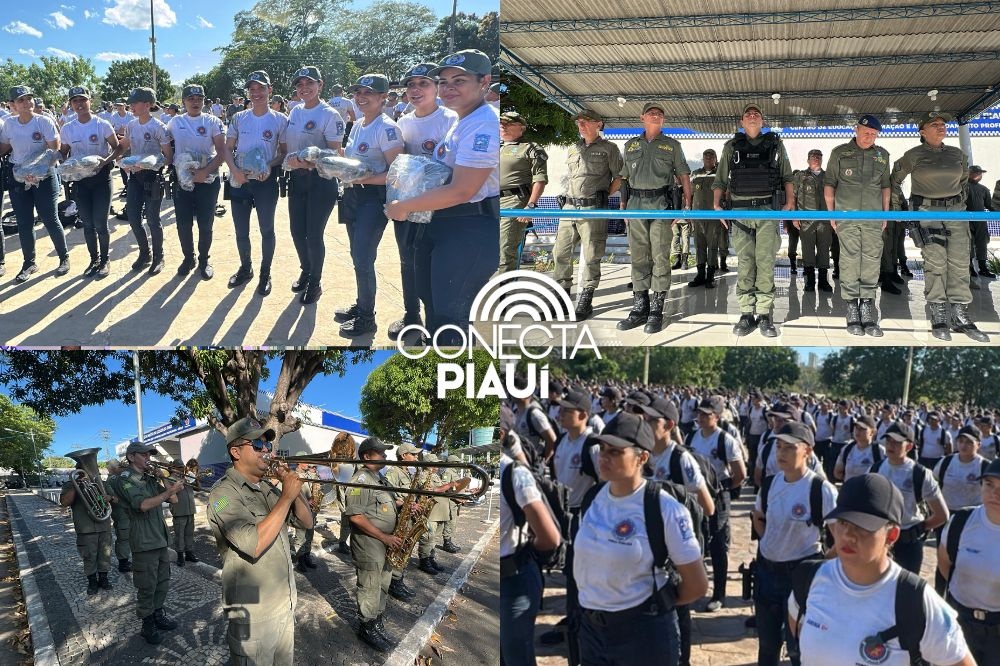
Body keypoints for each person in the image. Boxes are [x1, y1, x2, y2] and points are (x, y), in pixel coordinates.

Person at [790, 473, 974, 666]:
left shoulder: (915, 601)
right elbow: (797, 625)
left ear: (892, 535)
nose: (848, 535)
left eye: (862, 527)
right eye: (843, 522)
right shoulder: (811, 579)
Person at [385, 50, 500, 345]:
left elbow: (463, 189)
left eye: (458, 81)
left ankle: (451, 383)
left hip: (469, 228)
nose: (449, 88)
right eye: (444, 81)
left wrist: (404, 206)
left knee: (452, 319)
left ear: (484, 82)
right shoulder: (462, 121)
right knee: (435, 308)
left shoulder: (482, 124)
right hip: (444, 224)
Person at [574, 413, 708, 666]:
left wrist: (653, 605)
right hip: (593, 632)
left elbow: (697, 585)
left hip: (643, 635)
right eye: (602, 448)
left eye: (615, 452)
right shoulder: (593, 498)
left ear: (642, 458)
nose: (603, 457)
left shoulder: (663, 508)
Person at [207, 417, 312, 665]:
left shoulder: (268, 488)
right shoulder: (222, 494)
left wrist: (293, 492)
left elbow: (307, 523)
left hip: (283, 602)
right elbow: (253, 544)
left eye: (267, 445)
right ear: (235, 451)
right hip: (251, 612)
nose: (266, 450)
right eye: (257, 444)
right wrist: (286, 498)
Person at [891, 111, 987, 341]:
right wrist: (900, 210)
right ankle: (938, 314)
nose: (940, 127)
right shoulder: (913, 155)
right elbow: (894, 180)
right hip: (927, 212)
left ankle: (960, 314)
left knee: (960, 262)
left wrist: (960, 205)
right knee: (935, 261)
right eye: (934, 124)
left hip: (956, 213)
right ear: (923, 132)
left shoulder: (957, 154)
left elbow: (963, 182)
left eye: (943, 124)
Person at [751, 422, 838, 666]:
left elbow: (841, 539)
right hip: (767, 574)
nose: (781, 453)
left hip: (799, 577)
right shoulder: (770, 484)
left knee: (798, 648)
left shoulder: (821, 489)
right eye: (779, 446)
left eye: (790, 448)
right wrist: (769, 540)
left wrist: (817, 568)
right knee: (767, 646)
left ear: (808, 451)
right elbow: (759, 516)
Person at [713, 104, 795, 337]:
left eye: (757, 114)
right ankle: (746, 314)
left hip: (767, 212)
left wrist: (789, 202)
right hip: (740, 214)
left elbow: (787, 175)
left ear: (762, 122)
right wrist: (717, 204)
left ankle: (765, 315)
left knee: (765, 263)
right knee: (746, 263)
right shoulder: (731, 146)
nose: (752, 116)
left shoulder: (776, 145)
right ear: (741, 121)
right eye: (748, 114)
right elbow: (720, 180)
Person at [391, 63, 457, 340]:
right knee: (407, 261)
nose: (415, 90)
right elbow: (397, 165)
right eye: (411, 85)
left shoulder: (451, 119)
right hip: (408, 204)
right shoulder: (403, 122)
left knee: (434, 265)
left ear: (437, 87)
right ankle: (411, 315)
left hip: (442, 206)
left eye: (423, 84)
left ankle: (435, 323)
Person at [616, 101, 692, 334]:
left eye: (660, 114)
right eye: (651, 113)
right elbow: (624, 179)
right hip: (635, 206)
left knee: (660, 256)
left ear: (663, 120)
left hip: (661, 206)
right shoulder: (630, 146)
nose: (656, 116)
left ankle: (657, 310)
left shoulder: (672, 146)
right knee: (639, 256)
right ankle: (640, 308)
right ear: (642, 118)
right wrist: (622, 207)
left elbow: (683, 175)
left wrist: (686, 205)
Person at [336, 72, 400, 337]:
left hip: (372, 200)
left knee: (363, 258)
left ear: (383, 97)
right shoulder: (359, 124)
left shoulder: (387, 128)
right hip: (353, 196)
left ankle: (366, 318)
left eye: (368, 93)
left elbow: (397, 172)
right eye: (358, 93)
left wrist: (366, 177)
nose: (361, 97)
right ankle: (362, 304)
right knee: (356, 256)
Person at [500, 407, 561, 666]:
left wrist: (526, 554)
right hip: (503, 580)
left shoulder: (514, 473)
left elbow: (550, 537)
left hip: (516, 581)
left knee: (516, 658)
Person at [284, 66, 345, 307]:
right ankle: (306, 270)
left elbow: (335, 152)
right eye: (299, 84)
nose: (304, 88)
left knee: (313, 235)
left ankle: (315, 282)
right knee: (297, 232)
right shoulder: (295, 112)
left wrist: (310, 160)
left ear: (320, 84)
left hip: (321, 181)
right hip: (297, 179)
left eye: (309, 83)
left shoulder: (330, 115)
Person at [224, 71, 288, 297]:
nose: (256, 93)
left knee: (266, 229)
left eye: (261, 88)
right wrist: (235, 172)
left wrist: (270, 166)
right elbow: (227, 148)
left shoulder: (280, 120)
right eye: (252, 89)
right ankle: (245, 267)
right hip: (240, 181)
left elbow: (284, 153)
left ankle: (265, 273)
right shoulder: (239, 118)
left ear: (270, 90)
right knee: (241, 230)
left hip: (265, 182)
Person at [555, 109, 623, 320]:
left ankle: (586, 298)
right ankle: (561, 299)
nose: (581, 125)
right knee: (560, 253)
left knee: (592, 255)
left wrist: (605, 196)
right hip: (569, 208)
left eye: (586, 122)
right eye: (579, 122)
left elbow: (620, 176)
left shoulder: (609, 149)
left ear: (599, 124)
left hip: (593, 208)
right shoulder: (573, 149)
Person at [0, 85, 71, 283]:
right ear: (12, 105)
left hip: (43, 177)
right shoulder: (9, 125)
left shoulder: (44, 121)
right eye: (21, 100)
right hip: (18, 179)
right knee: (24, 222)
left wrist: (36, 172)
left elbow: (53, 151)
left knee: (50, 218)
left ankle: (64, 257)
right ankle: (29, 263)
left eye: (29, 98)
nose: (27, 102)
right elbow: (4, 148)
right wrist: (23, 173)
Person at [344, 437, 409, 652]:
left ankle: (376, 619)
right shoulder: (360, 479)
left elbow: (391, 501)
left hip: (385, 542)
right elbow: (355, 516)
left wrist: (408, 504)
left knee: (383, 583)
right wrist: (386, 537)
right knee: (370, 585)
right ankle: (366, 626)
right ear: (366, 456)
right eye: (381, 453)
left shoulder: (379, 479)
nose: (385, 456)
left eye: (385, 452)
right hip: (370, 543)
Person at [119, 441, 184, 644]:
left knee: (162, 581)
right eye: (144, 454)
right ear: (131, 457)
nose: (149, 458)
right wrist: (167, 492)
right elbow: (143, 505)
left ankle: (158, 614)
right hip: (143, 540)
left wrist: (163, 479)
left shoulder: (149, 478)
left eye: (150, 454)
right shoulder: (126, 479)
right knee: (147, 584)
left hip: (159, 538)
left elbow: (173, 501)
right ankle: (147, 624)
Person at [938, 458, 1000, 664]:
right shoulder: (961, 521)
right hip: (959, 621)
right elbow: (945, 562)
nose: (995, 493)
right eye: (989, 484)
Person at [59, 86, 122, 278]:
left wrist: (107, 161)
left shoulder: (102, 124)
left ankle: (104, 260)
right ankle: (93, 259)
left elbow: (118, 149)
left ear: (90, 101)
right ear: (70, 105)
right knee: (87, 224)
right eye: (75, 101)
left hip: (101, 180)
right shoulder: (68, 128)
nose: (79, 104)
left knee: (101, 223)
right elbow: (63, 153)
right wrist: (58, 161)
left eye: (82, 100)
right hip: (81, 183)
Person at [689, 395, 745, 613]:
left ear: (718, 416)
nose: (701, 418)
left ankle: (719, 593)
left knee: (718, 543)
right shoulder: (693, 436)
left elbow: (740, 474)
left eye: (706, 414)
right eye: (699, 413)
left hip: (718, 494)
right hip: (696, 495)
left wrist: (722, 489)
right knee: (696, 540)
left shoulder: (725, 440)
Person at [872, 423, 949, 574]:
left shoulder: (920, 474)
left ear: (909, 446)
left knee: (906, 590)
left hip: (908, 543)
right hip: (880, 539)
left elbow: (942, 515)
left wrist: (918, 529)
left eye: (897, 442)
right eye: (888, 441)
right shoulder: (876, 469)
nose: (891, 445)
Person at [166, 84, 225, 280]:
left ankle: (203, 260)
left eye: (199, 98)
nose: (195, 102)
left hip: (207, 180)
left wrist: (204, 172)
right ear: (183, 101)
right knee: (183, 223)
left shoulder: (213, 121)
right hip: (183, 181)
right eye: (191, 98)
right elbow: (164, 144)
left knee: (205, 223)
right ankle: (188, 258)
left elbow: (222, 152)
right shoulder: (175, 122)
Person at [119, 87, 173, 275]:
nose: (131, 106)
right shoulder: (131, 125)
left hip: (152, 178)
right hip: (135, 178)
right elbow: (124, 145)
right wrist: (116, 158)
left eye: (135, 102)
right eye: (130, 103)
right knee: (133, 218)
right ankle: (145, 253)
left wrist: (151, 164)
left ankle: (159, 256)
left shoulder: (158, 127)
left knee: (152, 220)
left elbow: (169, 157)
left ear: (148, 104)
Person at [498, 110, 546, 274]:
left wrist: (531, 205)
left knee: (505, 253)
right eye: (501, 123)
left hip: (514, 202)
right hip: (490, 203)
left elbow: (539, 179)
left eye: (509, 123)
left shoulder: (529, 148)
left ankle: (502, 296)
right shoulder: (494, 148)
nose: (503, 127)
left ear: (522, 128)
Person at [59, 457, 114, 595]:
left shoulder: (101, 483)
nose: (88, 472)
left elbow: (116, 499)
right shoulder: (70, 484)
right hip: (85, 528)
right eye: (84, 469)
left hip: (104, 526)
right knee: (89, 556)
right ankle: (92, 581)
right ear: (78, 471)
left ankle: (103, 578)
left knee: (105, 554)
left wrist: (110, 498)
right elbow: (65, 502)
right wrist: (75, 485)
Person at [382, 443, 421, 602]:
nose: (416, 457)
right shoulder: (393, 472)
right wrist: (406, 504)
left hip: (408, 517)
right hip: (399, 517)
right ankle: (393, 584)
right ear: (403, 455)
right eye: (413, 454)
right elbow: (389, 496)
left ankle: (399, 580)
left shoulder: (409, 472)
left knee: (405, 548)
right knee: (398, 549)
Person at [793, 149, 832, 293]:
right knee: (807, 250)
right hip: (806, 220)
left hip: (825, 220)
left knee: (824, 250)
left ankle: (823, 281)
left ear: (822, 159)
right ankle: (810, 281)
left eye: (818, 157)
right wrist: (794, 217)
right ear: (808, 160)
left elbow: (835, 198)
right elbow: (793, 197)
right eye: (813, 157)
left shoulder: (828, 176)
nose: (816, 159)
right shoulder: (800, 176)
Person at [688, 149, 722, 288]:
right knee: (699, 245)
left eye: (711, 155)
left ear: (715, 158)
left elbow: (727, 193)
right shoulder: (695, 174)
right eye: (706, 156)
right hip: (697, 216)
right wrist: (689, 213)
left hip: (714, 218)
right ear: (702, 158)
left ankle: (710, 276)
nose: (708, 158)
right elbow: (689, 194)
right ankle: (700, 274)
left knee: (712, 246)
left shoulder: (720, 174)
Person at [833, 416, 885, 483]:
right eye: (856, 428)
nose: (858, 431)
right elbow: (837, 473)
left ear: (872, 432)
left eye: (862, 429)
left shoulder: (879, 451)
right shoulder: (847, 449)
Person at [966, 165, 995, 280]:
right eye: (975, 173)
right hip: (967, 220)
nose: (978, 175)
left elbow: (990, 205)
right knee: (969, 243)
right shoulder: (963, 187)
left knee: (982, 244)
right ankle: (970, 267)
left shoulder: (984, 189)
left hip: (981, 221)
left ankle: (983, 268)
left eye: (980, 173)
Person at [104, 459, 133, 572]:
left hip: (125, 513)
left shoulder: (116, 478)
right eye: (119, 466)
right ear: (114, 468)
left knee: (127, 538)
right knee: (123, 538)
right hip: (122, 514)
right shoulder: (114, 479)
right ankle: (123, 563)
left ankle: (125, 560)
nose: (122, 468)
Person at [170, 460, 200, 567]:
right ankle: (180, 556)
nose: (181, 469)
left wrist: (196, 479)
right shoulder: (170, 479)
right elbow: (170, 492)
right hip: (179, 511)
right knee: (179, 535)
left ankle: (189, 553)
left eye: (182, 467)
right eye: (178, 467)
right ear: (173, 467)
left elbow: (198, 489)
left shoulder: (187, 477)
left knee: (189, 534)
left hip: (190, 511)